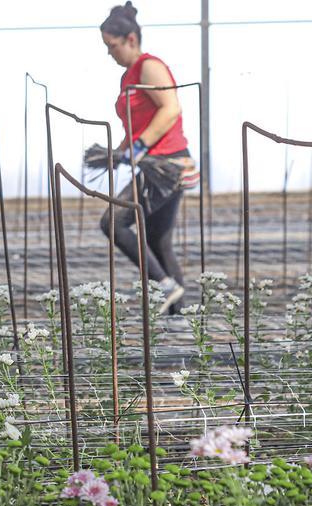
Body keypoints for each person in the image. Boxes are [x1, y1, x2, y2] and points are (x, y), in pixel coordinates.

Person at [99, 1, 197, 315]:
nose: (109, 53)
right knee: (157, 241)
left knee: (113, 222)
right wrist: (120, 151)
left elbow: (171, 109)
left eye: (112, 46)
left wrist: (139, 147)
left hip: (169, 165)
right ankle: (179, 321)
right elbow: (135, 123)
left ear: (130, 39)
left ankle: (165, 286)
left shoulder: (149, 66)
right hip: (153, 164)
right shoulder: (127, 76)